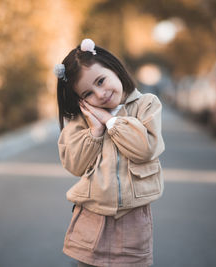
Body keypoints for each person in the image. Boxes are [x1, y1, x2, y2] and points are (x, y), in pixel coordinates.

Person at [54, 38, 165, 267]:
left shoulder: (146, 105)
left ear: (114, 68)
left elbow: (145, 149)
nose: (101, 93)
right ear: (81, 101)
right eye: (88, 93)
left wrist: (111, 121)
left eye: (101, 81)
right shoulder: (81, 122)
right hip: (91, 215)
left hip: (133, 218)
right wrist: (95, 130)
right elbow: (73, 164)